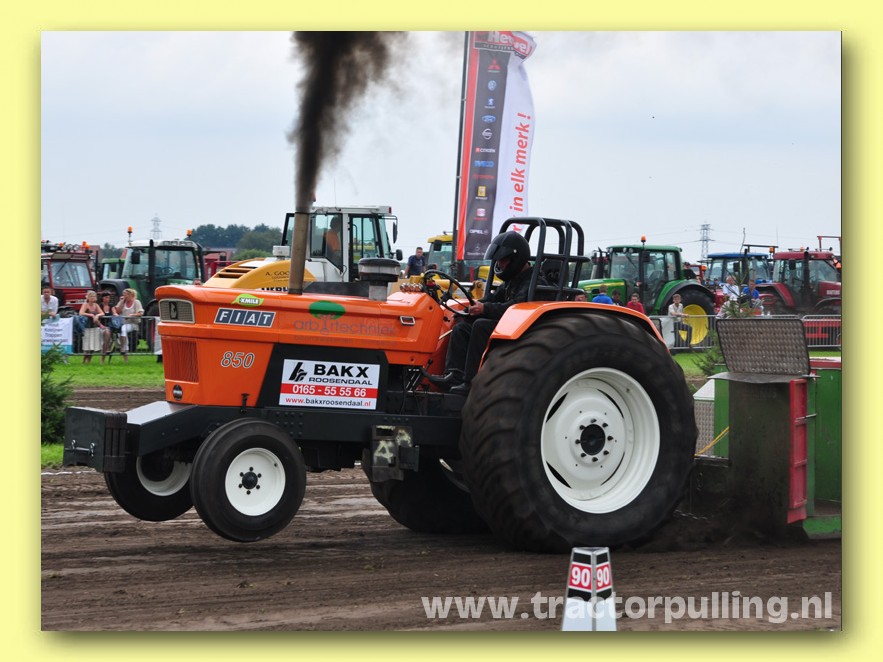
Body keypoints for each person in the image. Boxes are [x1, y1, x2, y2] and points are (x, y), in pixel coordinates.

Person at [429, 231, 538, 395]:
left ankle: (470, 382)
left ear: (516, 259)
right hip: (506, 325)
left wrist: (484, 309)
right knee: (461, 327)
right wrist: (471, 308)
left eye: (503, 260)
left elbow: (516, 307)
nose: (500, 264)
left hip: (522, 331)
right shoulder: (512, 280)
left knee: (480, 325)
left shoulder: (533, 282)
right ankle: (454, 376)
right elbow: (492, 298)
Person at [114, 288, 144, 362]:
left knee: (123, 329)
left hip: (133, 323)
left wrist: (132, 315)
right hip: (123, 323)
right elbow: (117, 312)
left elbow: (140, 313)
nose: (124, 296)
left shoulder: (136, 302)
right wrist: (121, 302)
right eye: (123, 294)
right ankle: (125, 353)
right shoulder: (122, 302)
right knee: (122, 331)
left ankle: (123, 348)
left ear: (131, 295)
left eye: (126, 294)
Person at [78, 290, 105, 364]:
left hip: (94, 327)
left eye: (94, 296)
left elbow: (102, 313)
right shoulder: (85, 304)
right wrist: (90, 315)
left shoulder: (96, 305)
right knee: (87, 346)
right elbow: (81, 313)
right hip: (87, 327)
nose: (92, 298)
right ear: (88, 297)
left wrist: (97, 315)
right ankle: (83, 361)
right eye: (91, 296)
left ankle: (89, 361)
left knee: (93, 345)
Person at [98, 291, 122, 363]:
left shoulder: (111, 306)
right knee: (106, 337)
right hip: (101, 326)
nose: (107, 299)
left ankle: (104, 356)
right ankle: (104, 355)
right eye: (106, 297)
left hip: (110, 326)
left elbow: (114, 313)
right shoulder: (99, 306)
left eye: (108, 297)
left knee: (106, 338)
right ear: (102, 298)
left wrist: (116, 315)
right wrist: (101, 325)